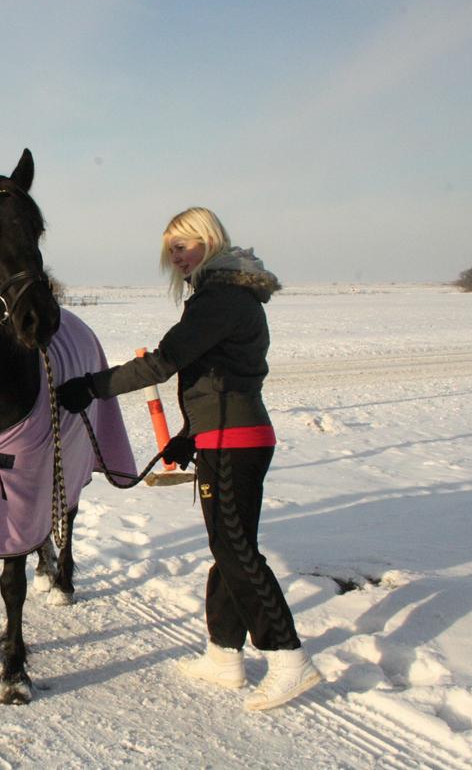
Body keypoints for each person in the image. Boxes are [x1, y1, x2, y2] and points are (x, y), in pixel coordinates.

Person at [56, 207, 321, 711]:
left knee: (237, 551)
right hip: (225, 433)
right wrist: (187, 433)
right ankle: (224, 656)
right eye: (171, 249)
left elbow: (164, 362)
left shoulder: (218, 299)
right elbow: (221, 376)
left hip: (233, 439)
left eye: (185, 245)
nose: (176, 256)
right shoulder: (225, 297)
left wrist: (91, 387)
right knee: (229, 546)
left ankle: (288, 658)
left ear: (210, 240)